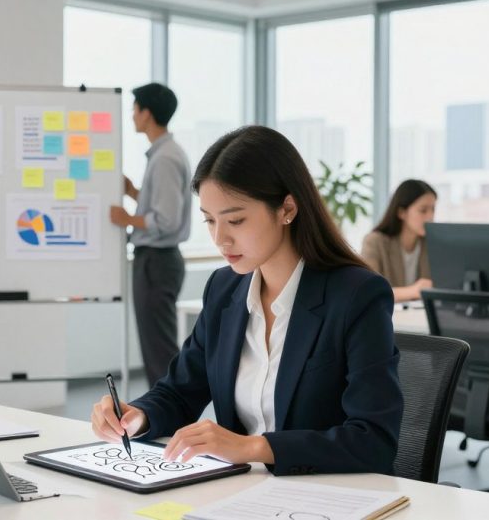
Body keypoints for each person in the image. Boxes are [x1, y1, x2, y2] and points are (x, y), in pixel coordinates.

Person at [93, 125, 402, 474]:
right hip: (244, 495)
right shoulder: (225, 290)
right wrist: (137, 417)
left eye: (235, 220)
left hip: (329, 497)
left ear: (287, 208)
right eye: (210, 221)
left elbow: (374, 439)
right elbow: (180, 392)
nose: (220, 238)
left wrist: (252, 446)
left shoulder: (357, 296)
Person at [109, 82, 192, 388]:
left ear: (147, 113)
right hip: (157, 261)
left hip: (157, 262)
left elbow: (166, 220)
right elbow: (163, 208)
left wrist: (126, 218)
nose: (131, 115)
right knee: (157, 346)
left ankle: (167, 422)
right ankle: (165, 418)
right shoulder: (165, 153)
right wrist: (133, 193)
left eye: (134, 109)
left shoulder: (165, 158)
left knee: (159, 350)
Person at [361, 179, 436, 302]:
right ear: (402, 212)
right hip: (386, 318)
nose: (430, 217)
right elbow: (368, 291)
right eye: (423, 210)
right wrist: (414, 291)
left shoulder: (430, 244)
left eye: (433, 209)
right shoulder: (374, 242)